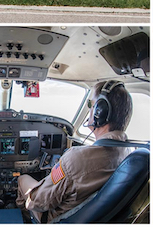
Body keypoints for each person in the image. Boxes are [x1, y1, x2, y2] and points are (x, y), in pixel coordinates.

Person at [19, 82, 136, 220]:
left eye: (91, 105)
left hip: (57, 218)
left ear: (100, 112)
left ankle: (23, 217)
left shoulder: (76, 158)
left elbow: (38, 201)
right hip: (94, 218)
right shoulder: (130, 154)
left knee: (23, 179)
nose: (89, 110)